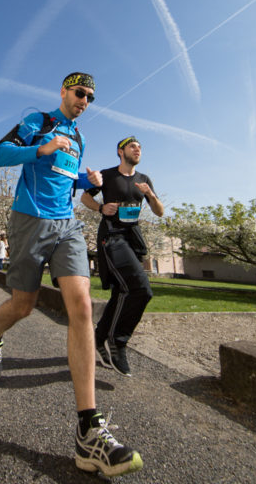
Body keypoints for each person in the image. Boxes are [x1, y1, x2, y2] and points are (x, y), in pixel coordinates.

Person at [0, 72, 143, 477]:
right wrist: (42, 146)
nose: (84, 100)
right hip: (28, 221)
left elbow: (62, 181)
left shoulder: (81, 138)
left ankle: (89, 429)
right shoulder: (40, 122)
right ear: (64, 92)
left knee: (82, 308)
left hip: (67, 225)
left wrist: (83, 182)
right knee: (23, 305)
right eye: (79, 93)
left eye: (90, 96)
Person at [81, 135, 164, 377]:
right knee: (141, 289)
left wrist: (150, 195)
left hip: (132, 238)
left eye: (140, 147)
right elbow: (85, 197)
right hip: (112, 236)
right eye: (132, 147)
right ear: (120, 151)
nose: (137, 150)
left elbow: (159, 212)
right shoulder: (107, 175)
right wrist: (100, 208)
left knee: (122, 290)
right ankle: (117, 341)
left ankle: (98, 339)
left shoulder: (144, 179)